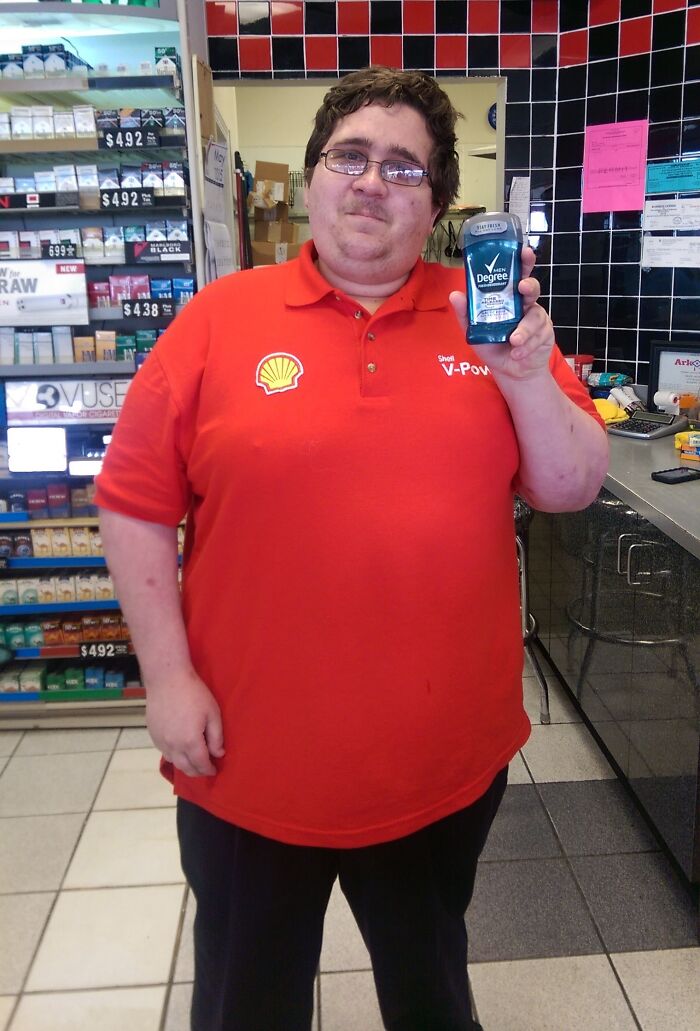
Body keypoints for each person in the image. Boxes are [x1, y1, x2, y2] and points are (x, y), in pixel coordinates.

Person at [96, 67, 608, 1031]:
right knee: (248, 998)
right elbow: (131, 502)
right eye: (351, 156)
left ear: (439, 205)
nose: (373, 181)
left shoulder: (491, 323)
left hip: (439, 759)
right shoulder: (219, 320)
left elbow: (570, 485)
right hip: (247, 758)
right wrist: (166, 678)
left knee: (429, 988)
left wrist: (526, 375)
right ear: (318, 175)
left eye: (405, 167)